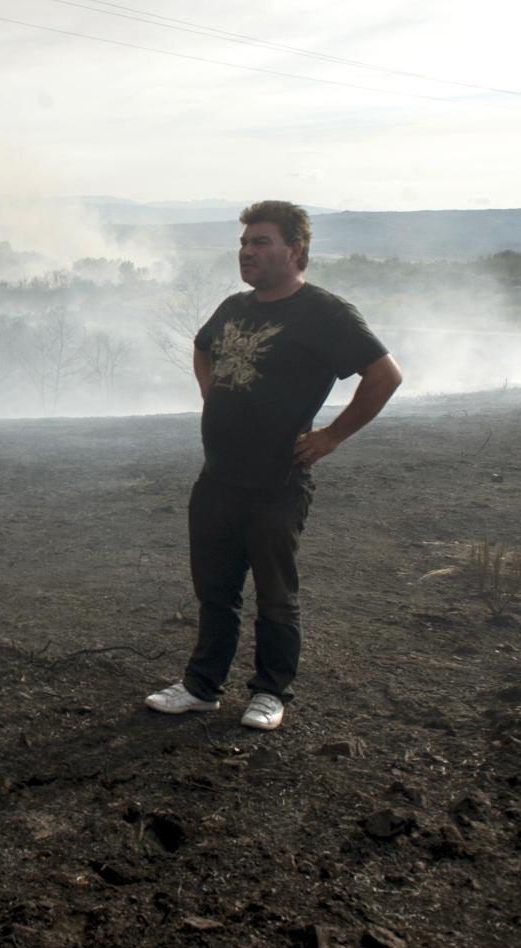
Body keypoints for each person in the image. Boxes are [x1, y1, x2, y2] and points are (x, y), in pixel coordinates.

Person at [144, 200, 403, 730]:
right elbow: (202, 348)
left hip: (276, 482)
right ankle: (201, 687)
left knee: (275, 595)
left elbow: (385, 375)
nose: (247, 252)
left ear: (295, 249)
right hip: (217, 478)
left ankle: (269, 692)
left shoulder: (324, 313)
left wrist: (331, 436)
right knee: (214, 591)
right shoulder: (234, 307)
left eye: (261, 242)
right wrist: (211, 393)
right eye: (243, 243)